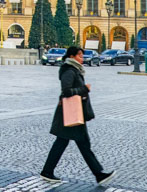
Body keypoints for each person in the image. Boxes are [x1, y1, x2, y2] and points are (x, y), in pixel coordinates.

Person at [40, 45, 115, 186]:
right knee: (79, 144)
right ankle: (98, 174)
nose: (82, 58)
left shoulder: (74, 70)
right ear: (72, 56)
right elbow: (67, 91)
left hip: (73, 113)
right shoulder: (69, 70)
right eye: (80, 55)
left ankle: (47, 171)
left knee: (66, 143)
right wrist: (84, 89)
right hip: (71, 114)